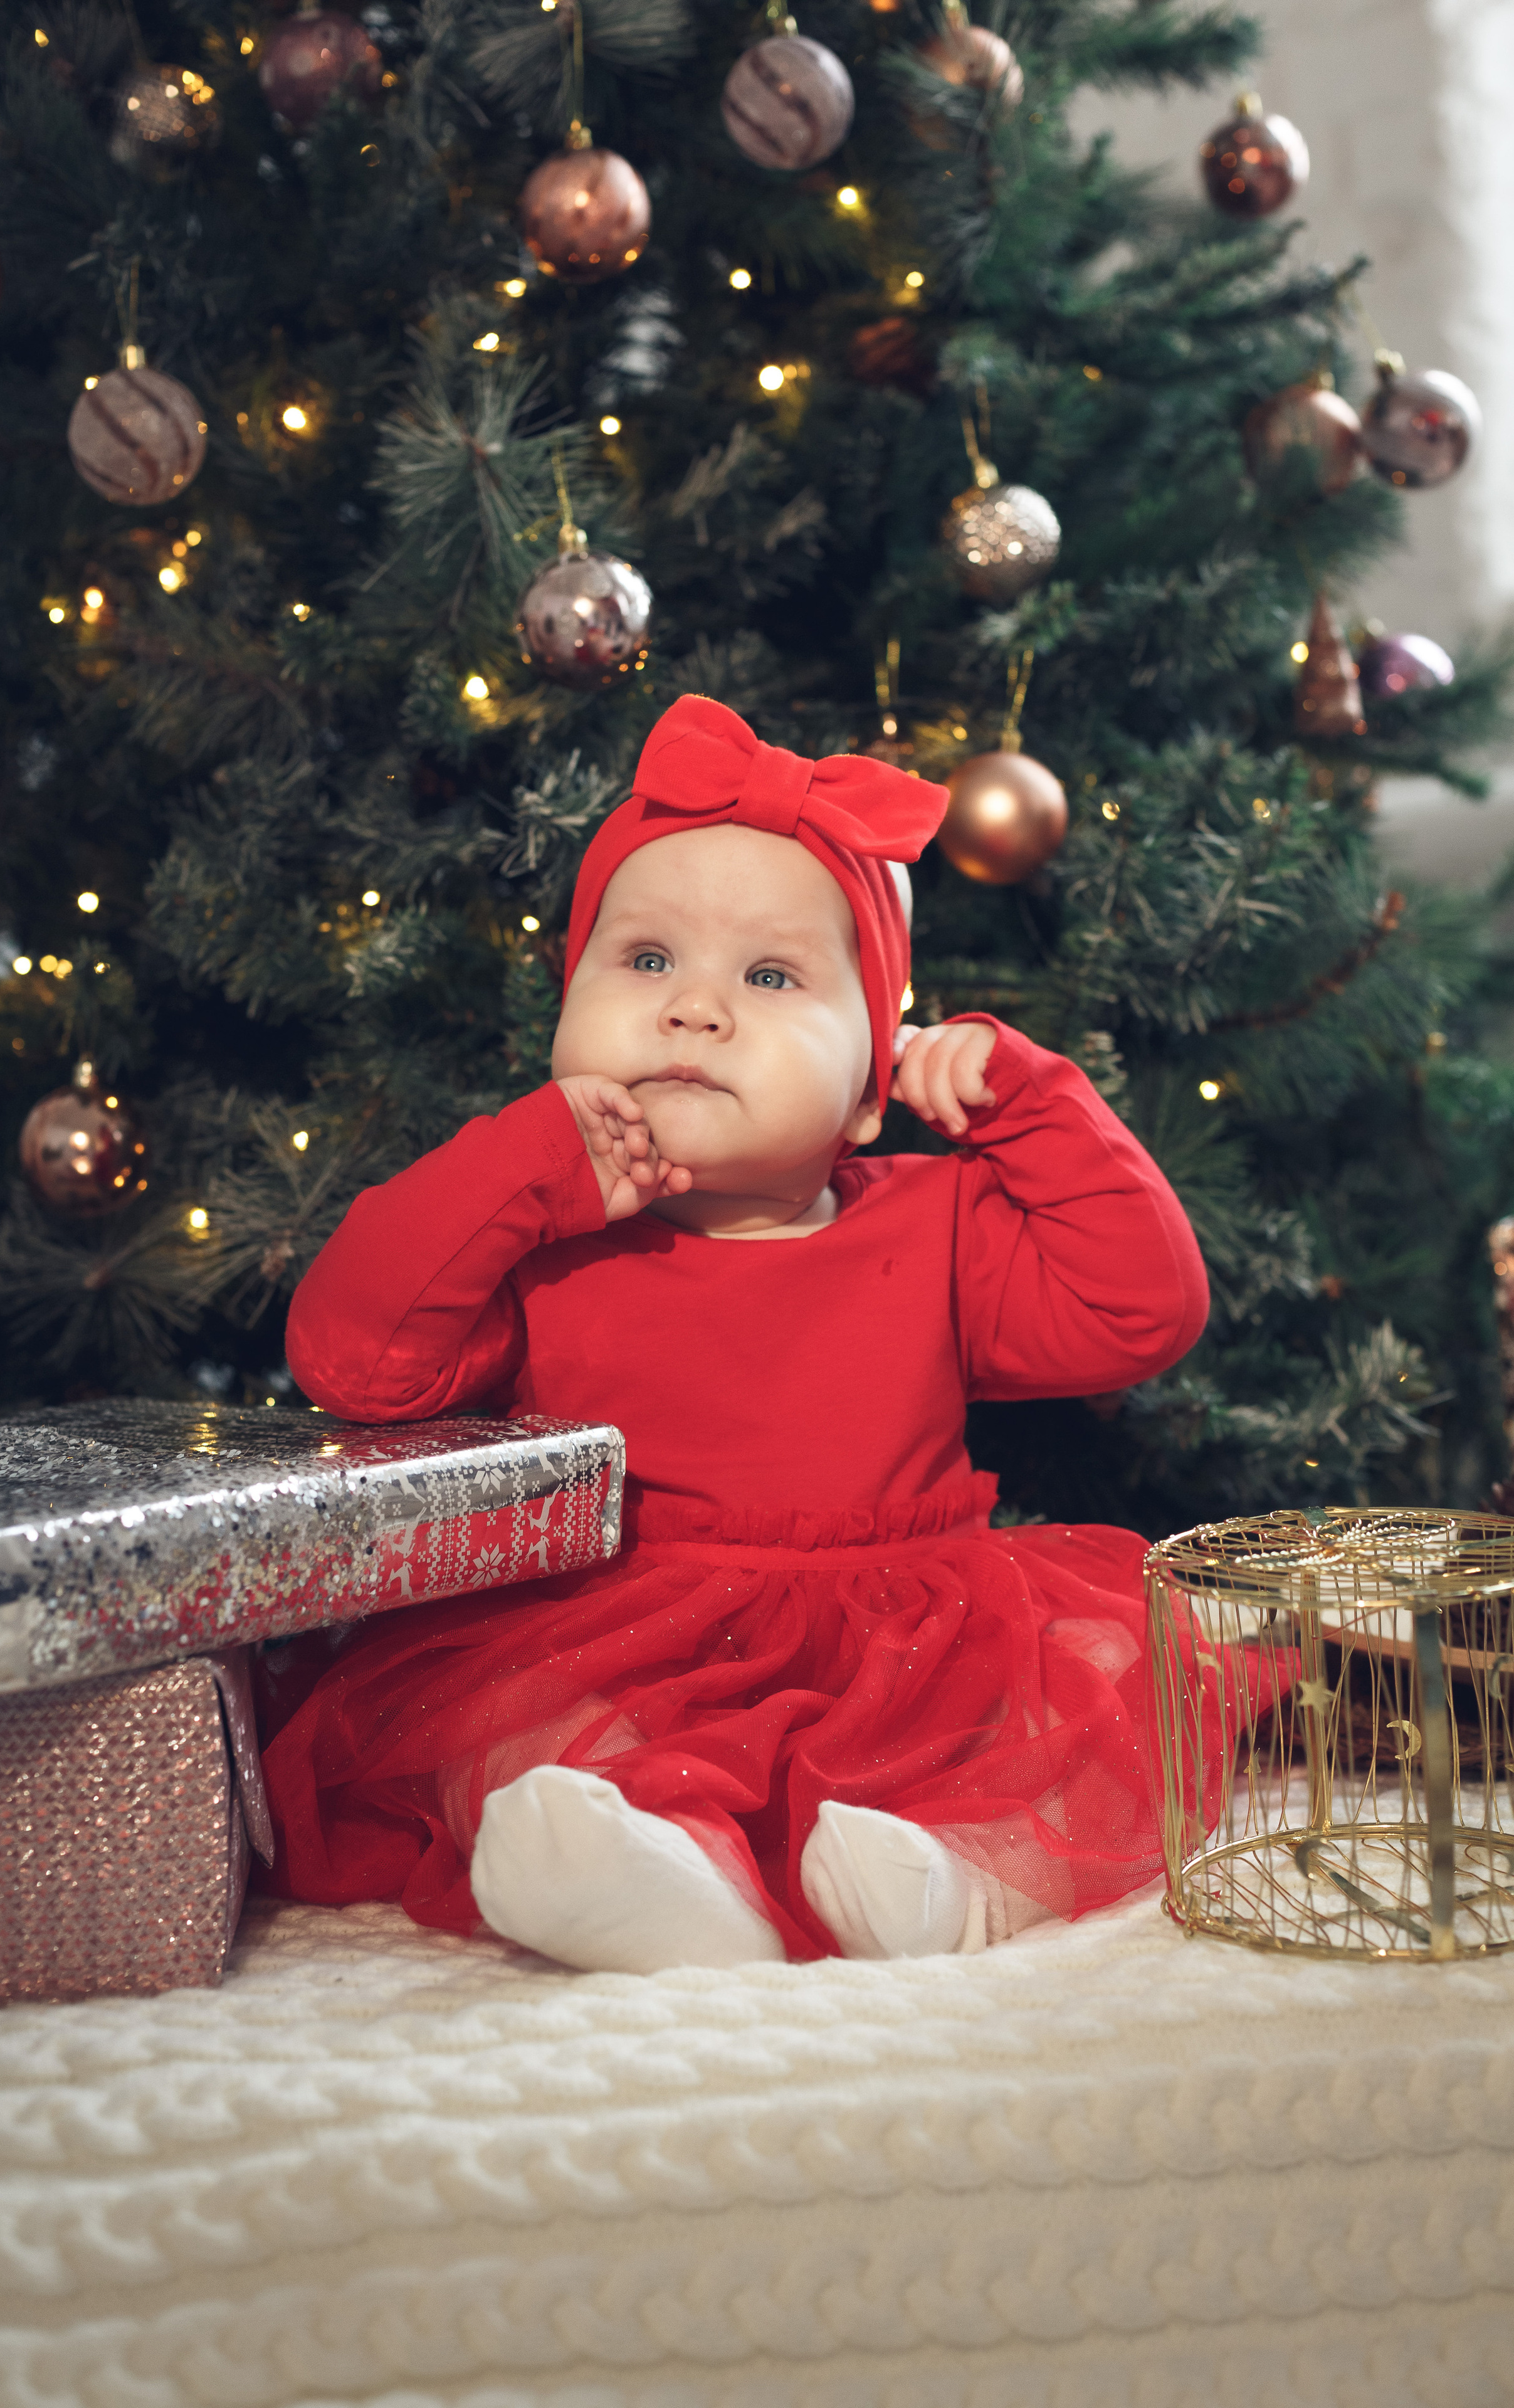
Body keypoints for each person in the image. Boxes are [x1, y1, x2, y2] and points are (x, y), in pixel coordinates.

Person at [261, 695, 1210, 1971]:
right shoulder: (539, 1239)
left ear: (871, 1086)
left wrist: (1025, 1103)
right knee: (499, 1728)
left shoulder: (936, 1224)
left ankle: (959, 1886)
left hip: (903, 1636)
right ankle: (665, 1882)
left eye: (769, 978)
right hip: (619, 1634)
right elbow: (355, 1361)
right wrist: (523, 1169)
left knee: (1109, 1676)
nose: (693, 1009)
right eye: (644, 960)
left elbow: (1135, 1307)